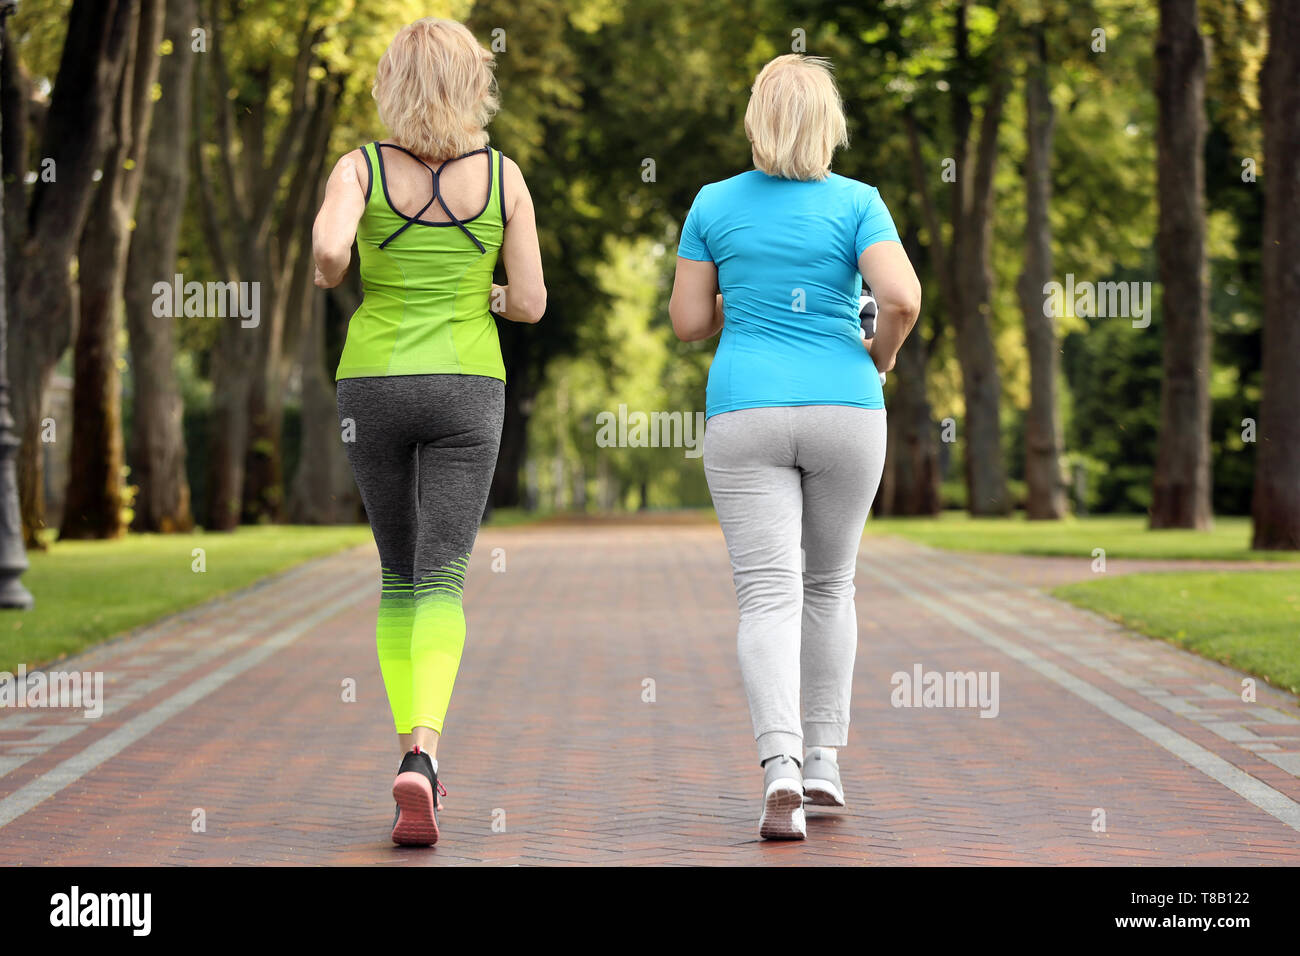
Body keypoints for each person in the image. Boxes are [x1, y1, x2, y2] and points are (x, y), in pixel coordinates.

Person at [669, 54, 921, 840]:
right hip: (845, 406)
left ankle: (778, 768)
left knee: (767, 596)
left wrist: (738, 297)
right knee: (830, 587)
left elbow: (687, 322)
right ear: (828, 123)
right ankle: (824, 766)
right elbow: (903, 297)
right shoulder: (859, 203)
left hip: (745, 409)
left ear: (756, 120)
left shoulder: (713, 203)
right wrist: (880, 355)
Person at [311, 17, 545, 847]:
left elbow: (329, 254)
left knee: (396, 573)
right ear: (472, 85)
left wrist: (338, 260)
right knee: (442, 579)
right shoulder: (505, 177)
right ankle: (424, 754)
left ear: (391, 85)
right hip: (468, 385)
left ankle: (406, 748)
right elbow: (530, 302)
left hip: (371, 381)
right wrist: (484, 297)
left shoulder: (358, 166)